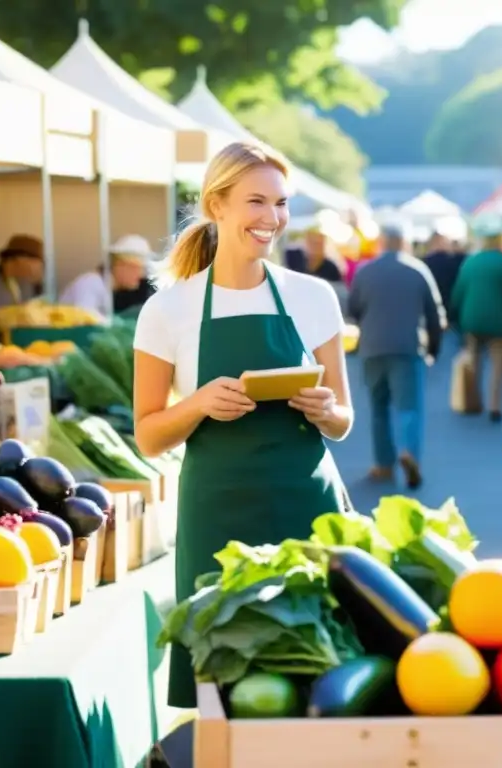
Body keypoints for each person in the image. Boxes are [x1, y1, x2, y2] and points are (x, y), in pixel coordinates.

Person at [131, 142, 352, 709]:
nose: (272, 219)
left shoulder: (313, 296)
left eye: (280, 203)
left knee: (318, 674)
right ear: (216, 204)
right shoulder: (169, 310)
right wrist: (199, 403)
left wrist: (326, 411)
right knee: (222, 682)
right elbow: (150, 434)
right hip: (217, 514)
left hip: (307, 504)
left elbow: (344, 421)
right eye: (256, 201)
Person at [348, 222, 443, 489]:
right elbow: (435, 315)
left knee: (378, 407)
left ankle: (382, 464)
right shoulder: (417, 270)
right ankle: (408, 452)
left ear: (381, 242)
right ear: (404, 243)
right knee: (408, 407)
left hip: (372, 347)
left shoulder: (365, 272)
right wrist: (434, 349)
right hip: (407, 347)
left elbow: (354, 309)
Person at [450, 216, 502, 422]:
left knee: (474, 360)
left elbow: (458, 292)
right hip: (499, 322)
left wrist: (455, 317)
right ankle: (495, 406)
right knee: (498, 365)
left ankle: (472, 401)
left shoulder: (471, 262)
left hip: (472, 320)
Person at [59, 234, 152, 319]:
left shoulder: (107, 289)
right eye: (136, 268)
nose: (140, 275)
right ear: (118, 265)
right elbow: (85, 319)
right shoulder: (90, 283)